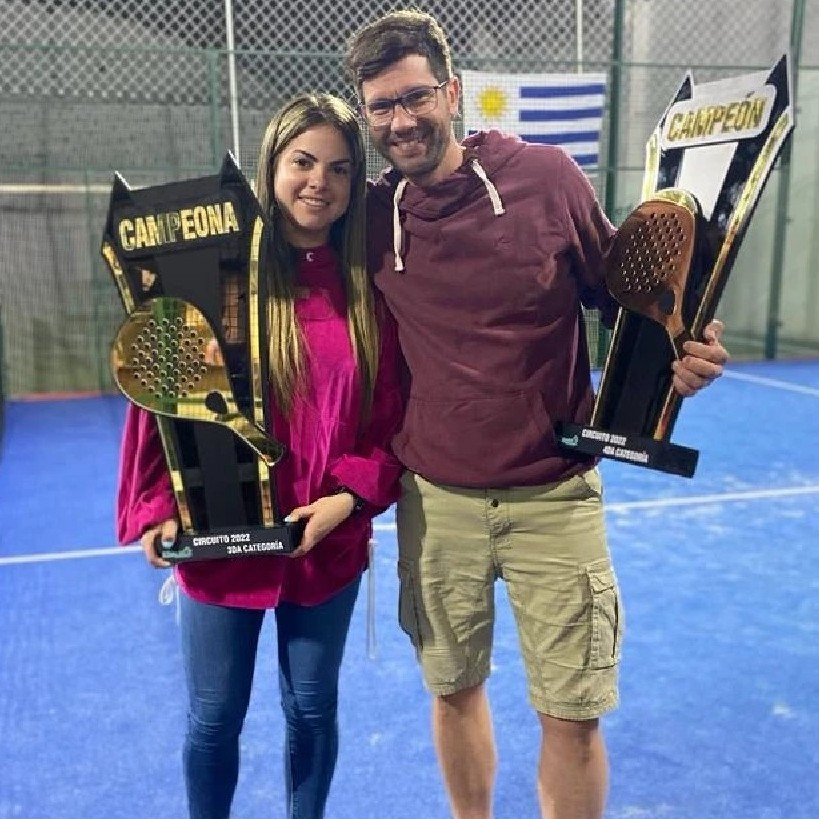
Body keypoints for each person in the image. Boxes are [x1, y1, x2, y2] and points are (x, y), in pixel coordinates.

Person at [344, 11, 729, 819]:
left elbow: (629, 298)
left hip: (555, 495)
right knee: (452, 691)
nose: (400, 121)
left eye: (415, 97)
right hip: (435, 503)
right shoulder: (369, 217)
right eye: (381, 106)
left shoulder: (547, 178)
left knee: (573, 714)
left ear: (452, 92)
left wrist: (684, 353)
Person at [116, 93, 404, 819]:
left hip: (326, 543)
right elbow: (164, 400)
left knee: (311, 707)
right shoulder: (212, 279)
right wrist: (158, 506)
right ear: (271, 165)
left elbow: (391, 418)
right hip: (221, 539)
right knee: (214, 718)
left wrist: (348, 500)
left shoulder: (370, 292)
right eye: (302, 161)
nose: (319, 183)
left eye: (339, 168)